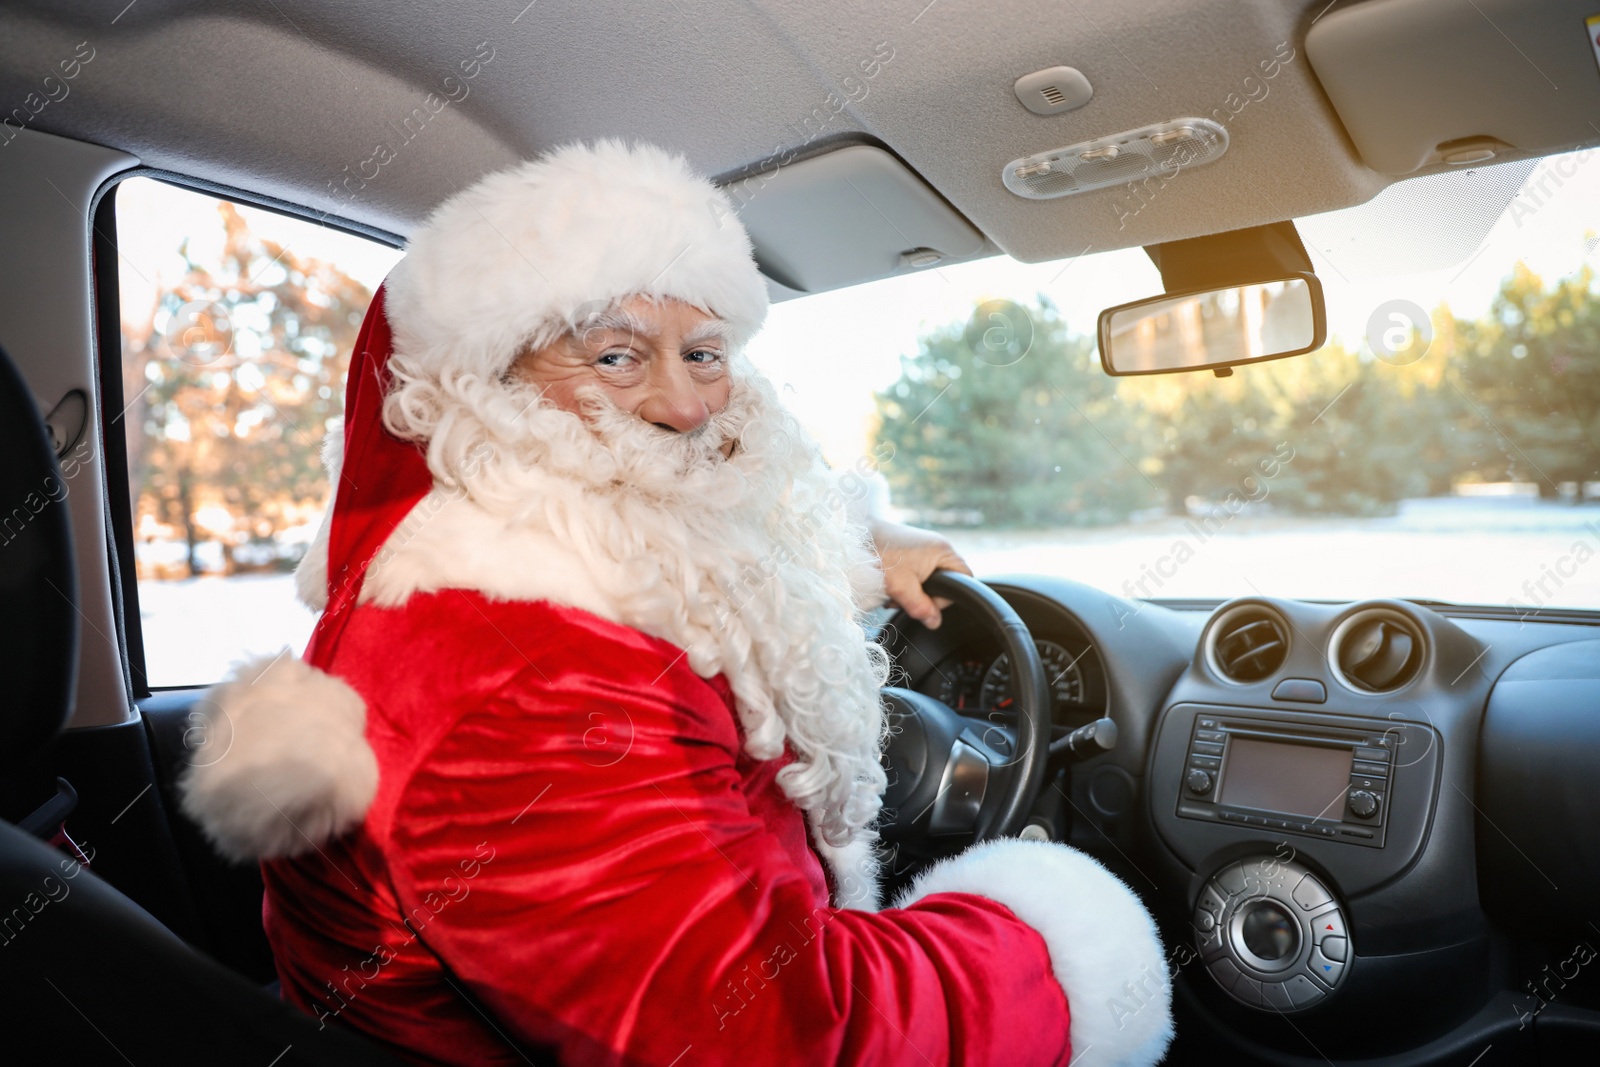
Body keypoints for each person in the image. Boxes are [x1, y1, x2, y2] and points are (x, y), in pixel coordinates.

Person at [180, 140, 1172, 1067]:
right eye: (614, 354)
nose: (687, 404)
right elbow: (766, 1035)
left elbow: (695, 552)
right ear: (481, 381)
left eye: (703, 351)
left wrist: (865, 542)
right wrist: (1057, 944)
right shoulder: (518, 673)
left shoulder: (524, 564)